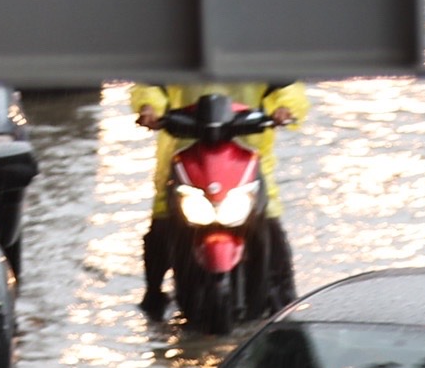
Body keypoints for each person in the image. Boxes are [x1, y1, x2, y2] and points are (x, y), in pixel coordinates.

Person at [131, 81, 310, 316]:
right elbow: (150, 84)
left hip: (247, 161)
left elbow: (288, 86)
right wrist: (149, 108)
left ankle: (286, 312)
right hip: (184, 157)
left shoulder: (258, 55)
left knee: (271, 234)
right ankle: (153, 296)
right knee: (161, 228)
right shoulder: (180, 54)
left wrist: (285, 109)